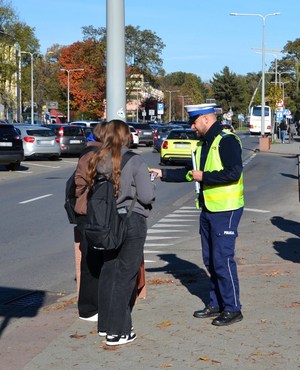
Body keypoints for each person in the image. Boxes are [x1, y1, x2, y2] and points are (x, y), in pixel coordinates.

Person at [150, 104, 244, 326]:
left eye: (194, 122)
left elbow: (233, 172)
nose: (192, 127)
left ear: (205, 119)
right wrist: (163, 173)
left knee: (222, 260)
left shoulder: (227, 140)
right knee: (210, 260)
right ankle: (216, 303)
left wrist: (205, 176)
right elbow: (192, 173)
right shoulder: (204, 144)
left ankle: (232, 308)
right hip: (209, 208)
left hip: (226, 209)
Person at [86, 119, 155, 346]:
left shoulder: (96, 159)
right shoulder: (135, 160)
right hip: (131, 221)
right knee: (126, 277)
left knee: (109, 271)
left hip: (106, 223)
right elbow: (145, 196)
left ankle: (105, 326)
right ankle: (118, 332)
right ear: (126, 136)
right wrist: (151, 183)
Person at [74, 123, 107, 321]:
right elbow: (82, 183)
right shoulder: (92, 155)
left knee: (95, 259)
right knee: (91, 261)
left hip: (89, 213)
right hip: (89, 214)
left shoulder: (92, 152)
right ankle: (88, 309)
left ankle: (93, 305)